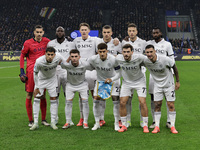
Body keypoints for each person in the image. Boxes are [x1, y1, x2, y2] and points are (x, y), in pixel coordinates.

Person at [144, 44, 180, 134]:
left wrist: (177, 81)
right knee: (157, 105)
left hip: (169, 85)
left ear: (155, 51)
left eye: (151, 52)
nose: (149, 54)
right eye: (147, 52)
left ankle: (172, 126)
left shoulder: (165, 59)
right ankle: (157, 126)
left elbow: (174, 67)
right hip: (157, 86)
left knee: (171, 105)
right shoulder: (146, 61)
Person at [19, 25, 50, 127]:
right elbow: (22, 55)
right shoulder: (28, 43)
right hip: (31, 71)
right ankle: (31, 120)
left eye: (41, 32)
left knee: (42, 95)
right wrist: (22, 70)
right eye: (37, 32)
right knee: (30, 94)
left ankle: (43, 119)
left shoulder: (46, 41)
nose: (39, 34)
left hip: (43, 72)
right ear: (34, 33)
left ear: (43, 32)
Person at [116, 44, 149, 133]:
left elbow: (150, 60)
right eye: (124, 52)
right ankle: (124, 125)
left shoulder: (139, 57)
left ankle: (145, 125)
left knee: (142, 102)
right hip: (126, 82)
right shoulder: (118, 58)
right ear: (122, 52)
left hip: (139, 82)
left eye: (128, 52)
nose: (126, 54)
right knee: (122, 103)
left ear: (132, 52)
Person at [30, 47, 64, 130]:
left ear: (54, 55)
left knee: (53, 99)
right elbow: (35, 73)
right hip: (41, 81)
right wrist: (37, 87)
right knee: (36, 100)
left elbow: (65, 62)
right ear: (45, 54)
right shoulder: (39, 61)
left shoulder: (58, 57)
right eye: (48, 54)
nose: (50, 56)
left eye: (52, 55)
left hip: (52, 80)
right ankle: (35, 123)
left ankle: (53, 122)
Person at [88, 43, 121, 131]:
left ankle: (116, 123)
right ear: (97, 51)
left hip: (113, 81)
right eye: (100, 51)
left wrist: (112, 79)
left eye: (103, 51)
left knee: (115, 100)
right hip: (100, 81)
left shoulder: (113, 59)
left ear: (107, 51)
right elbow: (87, 66)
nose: (102, 53)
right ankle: (97, 123)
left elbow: (119, 73)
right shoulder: (93, 59)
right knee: (95, 100)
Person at [147, 27, 175, 129]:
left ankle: (169, 121)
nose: (155, 34)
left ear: (160, 33)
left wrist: (172, 73)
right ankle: (155, 121)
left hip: (166, 75)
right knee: (153, 98)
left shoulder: (167, 44)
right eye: (153, 33)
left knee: (168, 99)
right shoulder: (149, 43)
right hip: (153, 75)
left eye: (157, 32)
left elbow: (172, 59)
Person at [47, 26, 75, 125]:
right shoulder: (51, 43)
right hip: (54, 72)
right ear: (55, 32)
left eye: (61, 31)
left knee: (68, 96)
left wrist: (65, 62)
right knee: (55, 95)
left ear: (64, 32)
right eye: (58, 31)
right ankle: (54, 118)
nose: (59, 32)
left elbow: (73, 55)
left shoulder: (71, 44)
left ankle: (69, 119)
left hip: (66, 72)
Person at [96, 25, 122, 127]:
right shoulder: (97, 42)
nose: (106, 34)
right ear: (102, 33)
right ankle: (101, 119)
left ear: (111, 33)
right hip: (102, 75)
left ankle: (118, 120)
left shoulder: (117, 43)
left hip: (114, 75)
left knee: (116, 98)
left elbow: (122, 55)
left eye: (108, 32)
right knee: (102, 98)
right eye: (104, 32)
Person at [122, 23, 147, 127]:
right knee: (127, 100)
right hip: (127, 75)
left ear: (136, 32)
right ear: (127, 32)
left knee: (141, 100)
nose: (131, 33)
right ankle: (127, 120)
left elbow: (147, 56)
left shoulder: (143, 42)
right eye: (129, 31)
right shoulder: (123, 42)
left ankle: (142, 120)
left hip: (140, 74)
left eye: (133, 31)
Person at [60, 49, 93, 129]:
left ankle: (85, 122)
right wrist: (68, 60)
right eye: (72, 57)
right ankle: (67, 122)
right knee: (68, 103)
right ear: (70, 57)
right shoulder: (66, 65)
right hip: (70, 85)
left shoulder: (84, 64)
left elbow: (94, 68)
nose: (74, 58)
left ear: (79, 57)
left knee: (85, 102)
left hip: (82, 84)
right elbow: (61, 64)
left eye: (76, 56)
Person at [73, 22, 98, 127]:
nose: (83, 31)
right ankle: (82, 118)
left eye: (85, 29)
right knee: (81, 96)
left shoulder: (95, 40)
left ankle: (99, 119)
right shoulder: (76, 41)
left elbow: (107, 41)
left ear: (89, 31)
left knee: (95, 96)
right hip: (81, 72)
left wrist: (115, 41)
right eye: (82, 30)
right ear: (80, 31)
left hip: (92, 71)